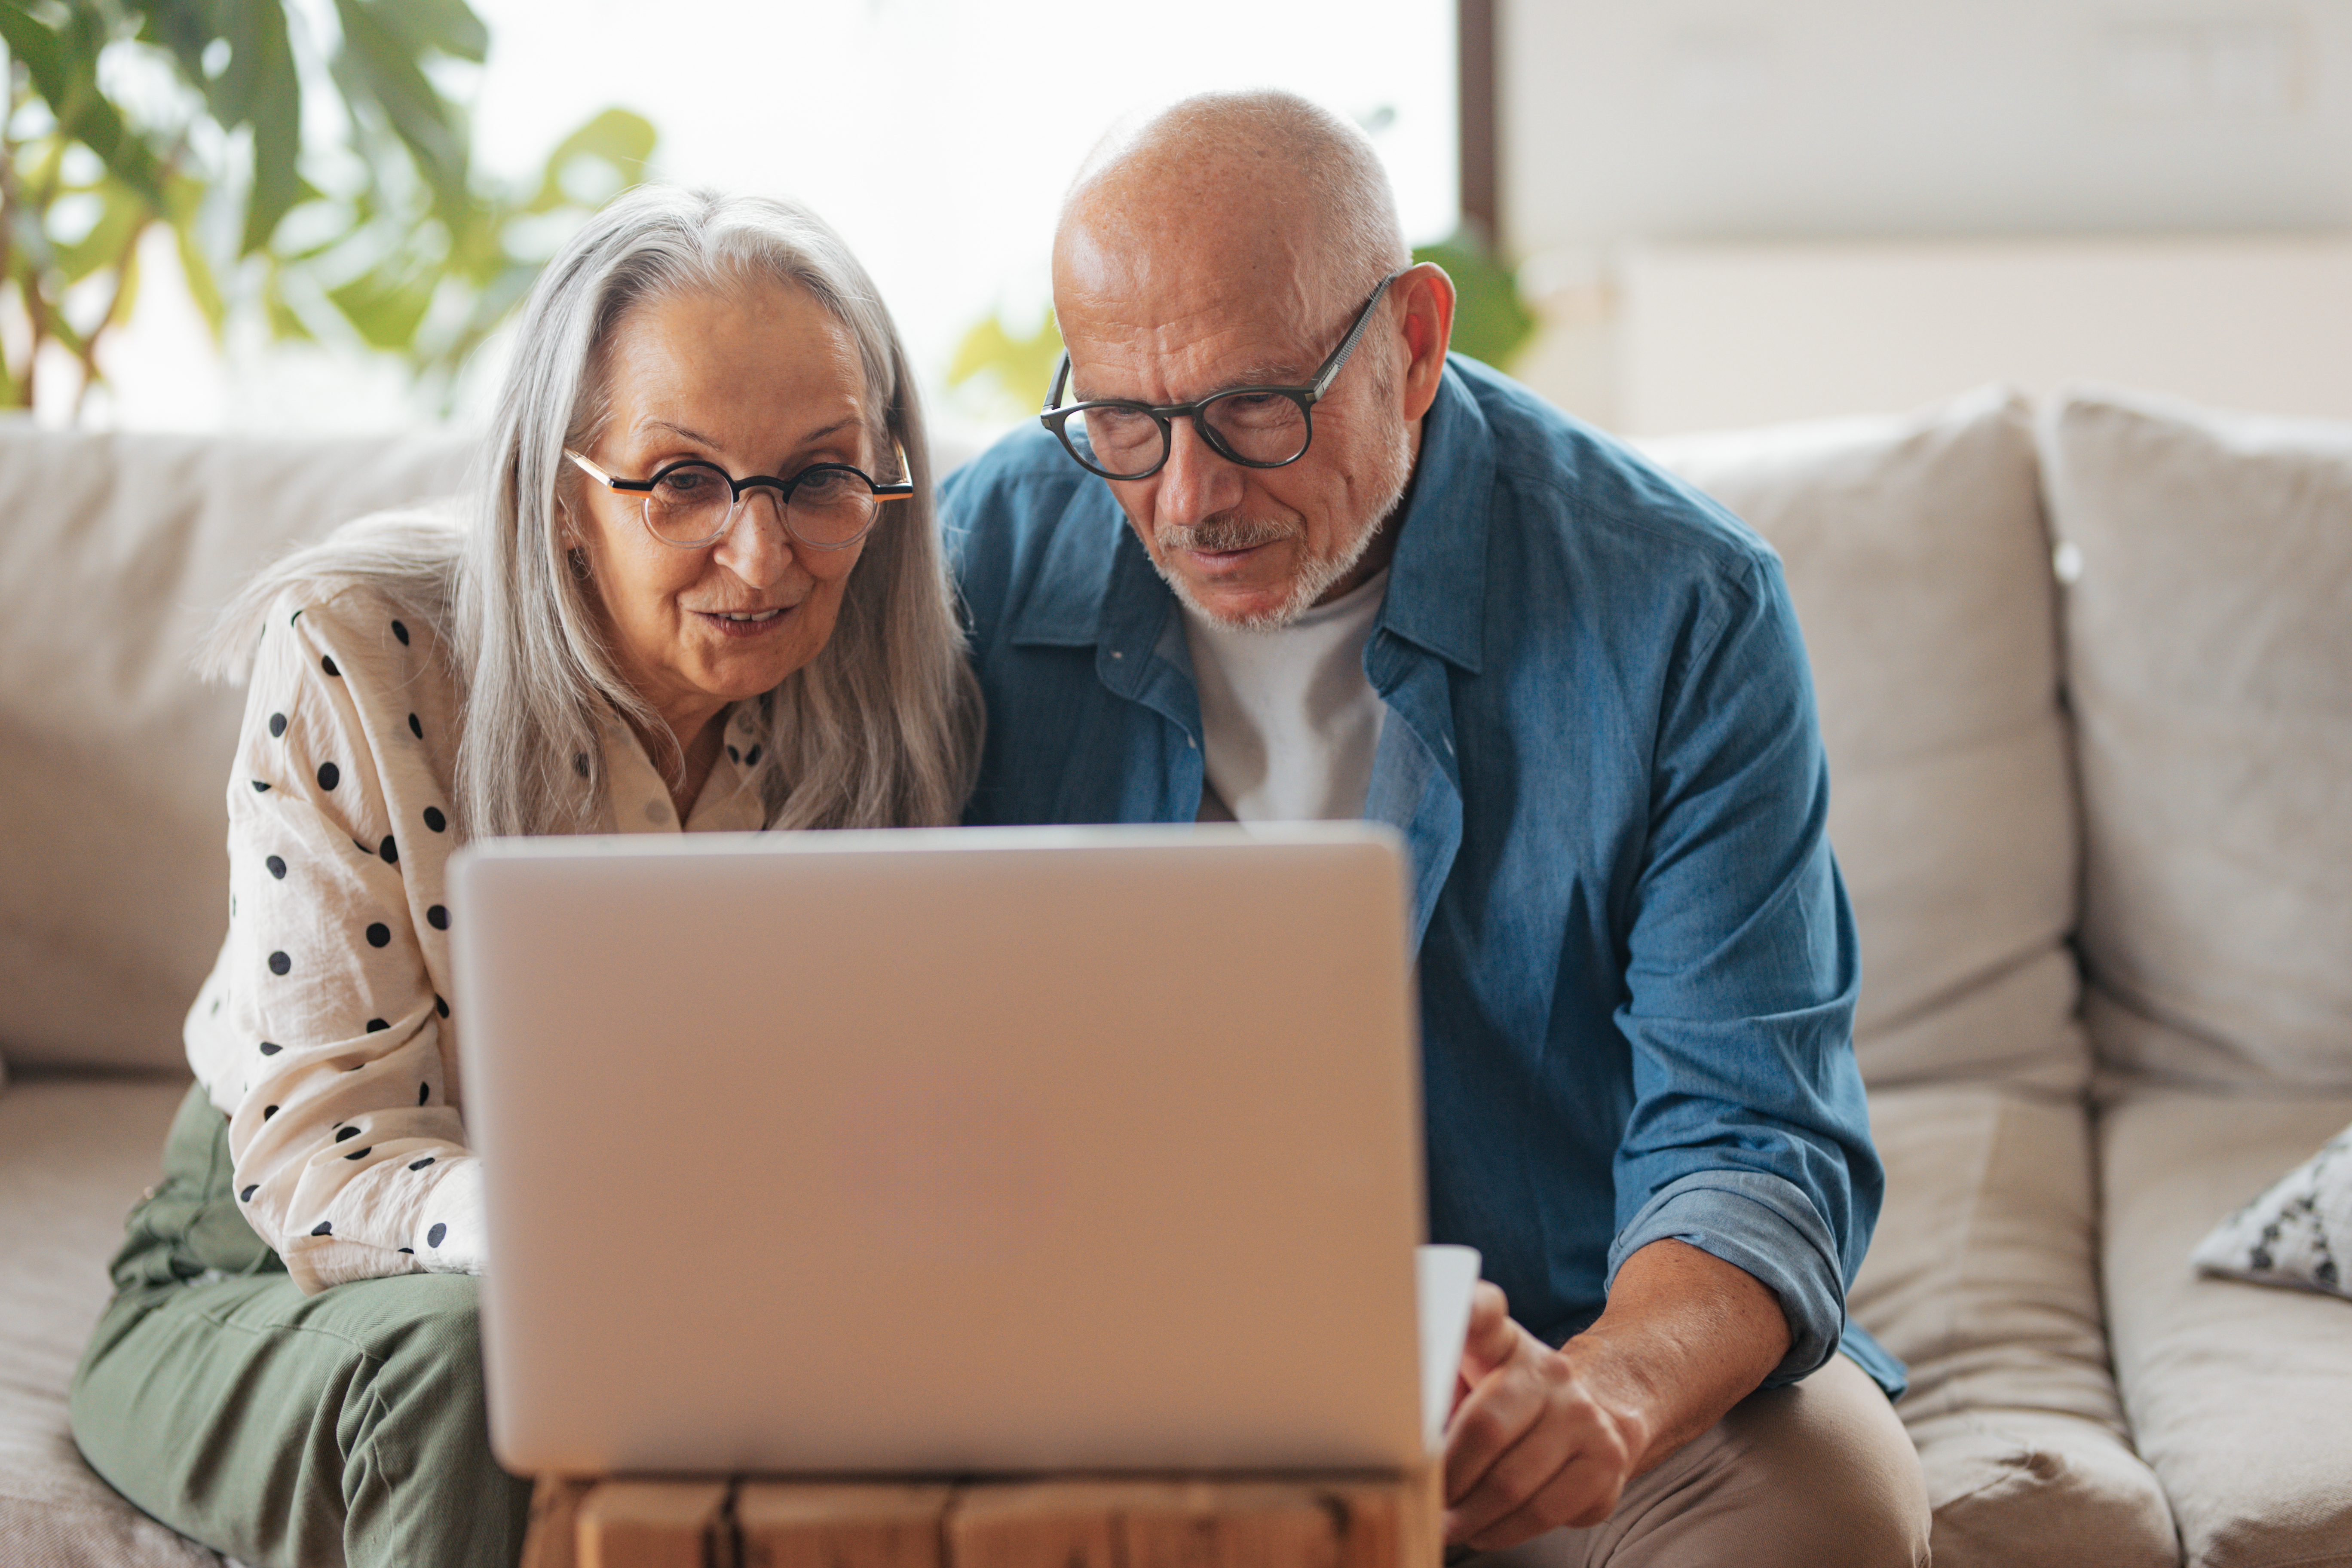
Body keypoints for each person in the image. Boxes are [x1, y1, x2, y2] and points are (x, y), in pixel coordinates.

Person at [943, 92, 1932, 1565]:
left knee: (1827, 1508)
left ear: (1411, 343)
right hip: (1107, 1346)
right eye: (1126, 423)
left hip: (1544, 1338)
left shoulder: (1682, 608)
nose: (1190, 496)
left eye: (1254, 409)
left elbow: (1754, 1132)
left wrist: (1600, 1395)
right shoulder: (980, 559)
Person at [70, 186, 981, 1568]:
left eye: (820, 477)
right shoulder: (364, 648)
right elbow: (320, 1153)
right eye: (681, 482)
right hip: (272, 1262)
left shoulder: (892, 697)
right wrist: (590, 1248)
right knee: (474, 1365)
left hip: (675, 1273)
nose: (764, 552)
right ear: (566, 499)